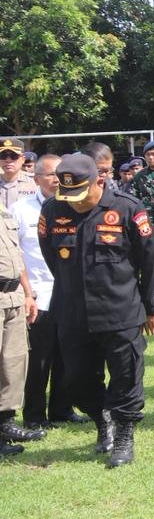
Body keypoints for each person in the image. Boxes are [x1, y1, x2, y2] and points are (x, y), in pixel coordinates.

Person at [39, 154, 154, 467]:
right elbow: (52, 257)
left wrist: (150, 306)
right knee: (76, 381)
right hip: (73, 312)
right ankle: (101, 418)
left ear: (100, 181)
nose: (74, 201)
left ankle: (124, 434)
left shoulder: (127, 208)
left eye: (80, 193)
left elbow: (148, 259)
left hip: (120, 309)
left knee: (126, 377)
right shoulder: (52, 210)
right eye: (68, 194)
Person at [15, 154, 84, 429]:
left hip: (68, 292)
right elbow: (17, 255)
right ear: (36, 179)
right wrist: (26, 292)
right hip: (38, 295)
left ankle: (62, 409)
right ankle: (34, 415)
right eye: (50, 174)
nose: (57, 179)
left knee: (66, 354)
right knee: (39, 360)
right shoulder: (21, 210)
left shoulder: (73, 206)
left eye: (60, 174)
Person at [0, 195, 39, 455]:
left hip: (13, 295)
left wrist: (27, 293)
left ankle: (6, 423)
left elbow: (17, 254)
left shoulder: (3, 209)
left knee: (13, 362)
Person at [0, 138, 38, 210]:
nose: (8, 160)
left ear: (23, 159)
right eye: (3, 156)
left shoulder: (35, 183)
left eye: (14, 156)